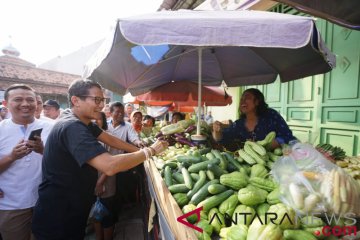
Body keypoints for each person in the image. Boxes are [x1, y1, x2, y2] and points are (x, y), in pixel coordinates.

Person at [31, 79, 168, 240]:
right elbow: (109, 166)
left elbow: (110, 139)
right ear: (76, 100)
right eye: (96, 100)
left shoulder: (81, 120)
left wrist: (140, 150)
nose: (102, 105)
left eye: (103, 100)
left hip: (72, 207)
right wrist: (150, 152)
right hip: (58, 213)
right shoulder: (72, 126)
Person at [0, 84, 54, 240]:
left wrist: (43, 150)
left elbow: (64, 164)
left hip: (46, 201)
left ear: (36, 103)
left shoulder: (52, 128)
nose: (25, 104)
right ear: (5, 104)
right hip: (11, 204)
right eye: (18, 99)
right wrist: (11, 157)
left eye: (30, 100)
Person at [212, 88, 296, 150]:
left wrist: (269, 145)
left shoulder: (271, 116)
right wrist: (216, 131)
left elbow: (288, 136)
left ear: (257, 101)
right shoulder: (238, 124)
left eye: (247, 98)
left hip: (278, 160)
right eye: (241, 99)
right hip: (253, 165)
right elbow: (222, 139)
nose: (242, 101)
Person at [93, 112, 116, 240]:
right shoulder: (85, 137)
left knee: (107, 213)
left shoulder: (108, 137)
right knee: (95, 214)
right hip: (91, 183)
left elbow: (112, 163)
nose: (96, 121)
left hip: (107, 182)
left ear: (103, 121)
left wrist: (100, 182)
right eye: (92, 119)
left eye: (99, 119)